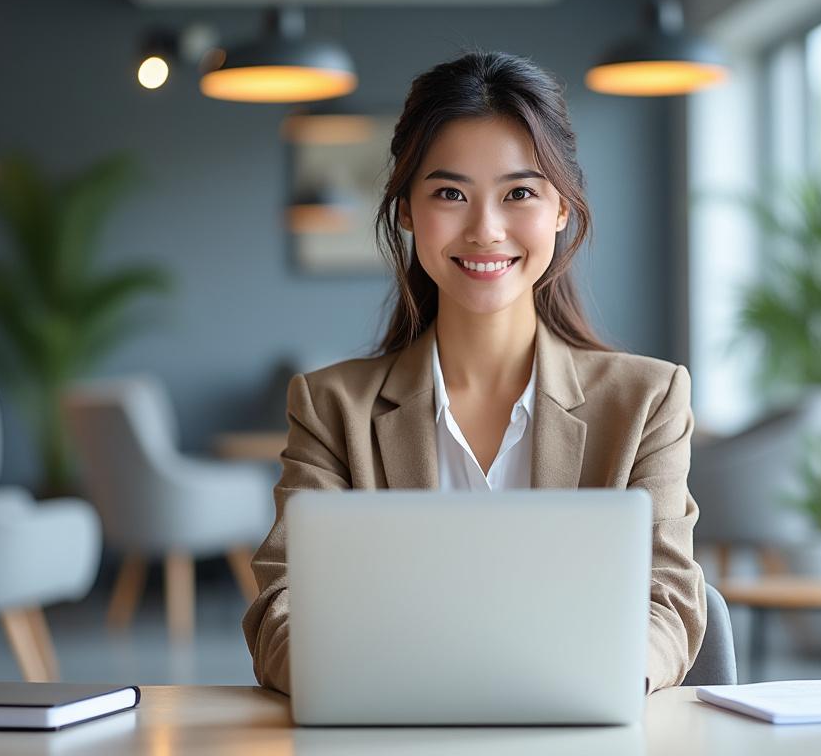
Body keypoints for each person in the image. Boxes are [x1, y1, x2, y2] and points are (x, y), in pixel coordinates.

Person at [243, 49, 706, 695]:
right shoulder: (330, 407)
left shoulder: (646, 401)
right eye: (450, 193)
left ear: (563, 208)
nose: (485, 229)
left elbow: (669, 605)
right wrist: (382, 689)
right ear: (405, 209)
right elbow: (280, 608)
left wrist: (587, 682)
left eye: (519, 193)